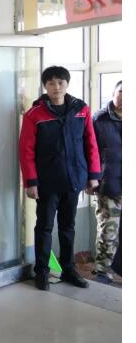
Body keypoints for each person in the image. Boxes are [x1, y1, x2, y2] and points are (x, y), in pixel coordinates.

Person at [19, 66, 101, 291]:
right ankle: (42, 272)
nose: (56, 87)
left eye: (60, 82)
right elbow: (26, 151)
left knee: (68, 227)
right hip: (47, 183)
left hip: (74, 180)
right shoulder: (34, 115)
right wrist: (31, 182)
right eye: (51, 83)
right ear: (45, 86)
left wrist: (93, 175)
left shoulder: (81, 110)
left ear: (67, 84)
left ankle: (69, 270)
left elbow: (91, 143)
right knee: (44, 227)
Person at [91, 80, 122, 283]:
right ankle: (102, 270)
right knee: (108, 230)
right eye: (121, 92)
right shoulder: (99, 119)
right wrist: (92, 178)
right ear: (113, 93)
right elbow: (89, 151)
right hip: (109, 183)